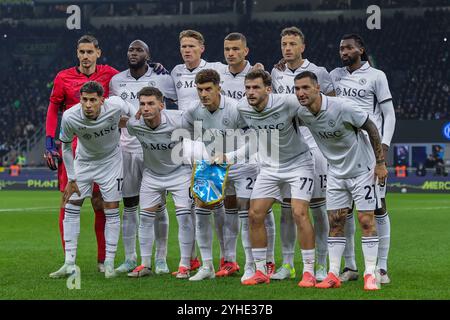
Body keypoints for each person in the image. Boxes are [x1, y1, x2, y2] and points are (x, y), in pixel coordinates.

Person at [294, 71, 388, 291]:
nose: (301, 93)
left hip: (362, 170)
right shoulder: (302, 112)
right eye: (297, 89)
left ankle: (370, 274)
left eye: (306, 87)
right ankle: (333, 273)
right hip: (336, 172)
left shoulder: (342, 107)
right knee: (335, 223)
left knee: (366, 221)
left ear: (318, 88)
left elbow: (371, 127)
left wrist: (380, 162)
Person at [234, 70, 316, 287]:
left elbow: (316, 108)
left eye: (256, 87)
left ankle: (309, 271)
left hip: (299, 163)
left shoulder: (288, 102)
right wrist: (228, 156)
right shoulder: (242, 107)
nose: (250, 92)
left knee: (299, 213)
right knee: (254, 214)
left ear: (268, 89)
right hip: (270, 167)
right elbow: (255, 138)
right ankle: (260, 270)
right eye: (248, 88)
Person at [45, 35, 119, 272]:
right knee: (69, 200)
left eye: (89, 52)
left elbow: (130, 86)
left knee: (100, 203)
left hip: (101, 146)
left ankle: (101, 260)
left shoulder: (111, 75)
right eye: (81, 52)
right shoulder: (63, 77)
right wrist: (49, 142)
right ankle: (69, 261)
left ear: (98, 52)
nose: (85, 57)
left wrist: (152, 67)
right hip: (72, 145)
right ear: (77, 53)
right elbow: (53, 108)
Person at [49, 81, 133, 279]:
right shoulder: (70, 116)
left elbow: (133, 112)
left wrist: (132, 120)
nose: (88, 104)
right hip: (84, 162)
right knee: (70, 207)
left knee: (111, 209)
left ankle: (110, 263)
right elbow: (67, 147)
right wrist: (72, 178)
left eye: (93, 100)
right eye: (84, 100)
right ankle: (69, 263)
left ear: (102, 101)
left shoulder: (115, 106)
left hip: (111, 161)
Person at [330, 34, 395, 284]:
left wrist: (384, 148)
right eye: (340, 48)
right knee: (342, 211)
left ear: (361, 49)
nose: (343, 51)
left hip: (370, 150)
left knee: (378, 207)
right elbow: (306, 78)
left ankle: (381, 267)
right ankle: (350, 267)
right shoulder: (335, 75)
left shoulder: (376, 76)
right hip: (342, 151)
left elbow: (389, 115)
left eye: (348, 47)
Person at [271, 26, 334, 281]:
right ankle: (287, 264)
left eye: (292, 44)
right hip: (287, 147)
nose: (287, 48)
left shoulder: (318, 72)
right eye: (284, 43)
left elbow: (329, 105)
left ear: (302, 47)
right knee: (287, 209)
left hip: (315, 145)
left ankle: (321, 264)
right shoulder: (276, 73)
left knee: (318, 208)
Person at [109, 40, 177, 275]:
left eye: (139, 50)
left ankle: (160, 259)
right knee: (128, 206)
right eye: (130, 49)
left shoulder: (163, 79)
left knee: (157, 207)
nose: (134, 53)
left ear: (148, 54)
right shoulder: (116, 81)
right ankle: (130, 258)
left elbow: (177, 106)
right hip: (126, 149)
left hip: (154, 149)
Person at [219, 32, 276, 280]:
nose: (231, 53)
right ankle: (231, 260)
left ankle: (269, 261)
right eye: (227, 49)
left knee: (258, 208)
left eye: (235, 49)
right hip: (225, 150)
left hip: (255, 151)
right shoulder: (218, 73)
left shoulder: (257, 74)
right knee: (229, 206)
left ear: (246, 51)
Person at [170, 29, 226, 274]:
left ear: (202, 48)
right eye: (183, 46)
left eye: (191, 46)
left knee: (214, 201)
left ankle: (226, 257)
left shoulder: (216, 69)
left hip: (211, 142)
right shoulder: (174, 72)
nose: (187, 50)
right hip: (186, 143)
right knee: (189, 203)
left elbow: (239, 70)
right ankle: (191, 258)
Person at [125, 87, 194, 279]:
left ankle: (184, 264)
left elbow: (199, 132)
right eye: (142, 104)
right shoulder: (134, 124)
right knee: (145, 218)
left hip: (180, 173)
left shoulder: (179, 120)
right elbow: (126, 125)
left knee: (184, 218)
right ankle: (145, 264)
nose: (146, 108)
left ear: (161, 105)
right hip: (152, 174)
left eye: (151, 103)